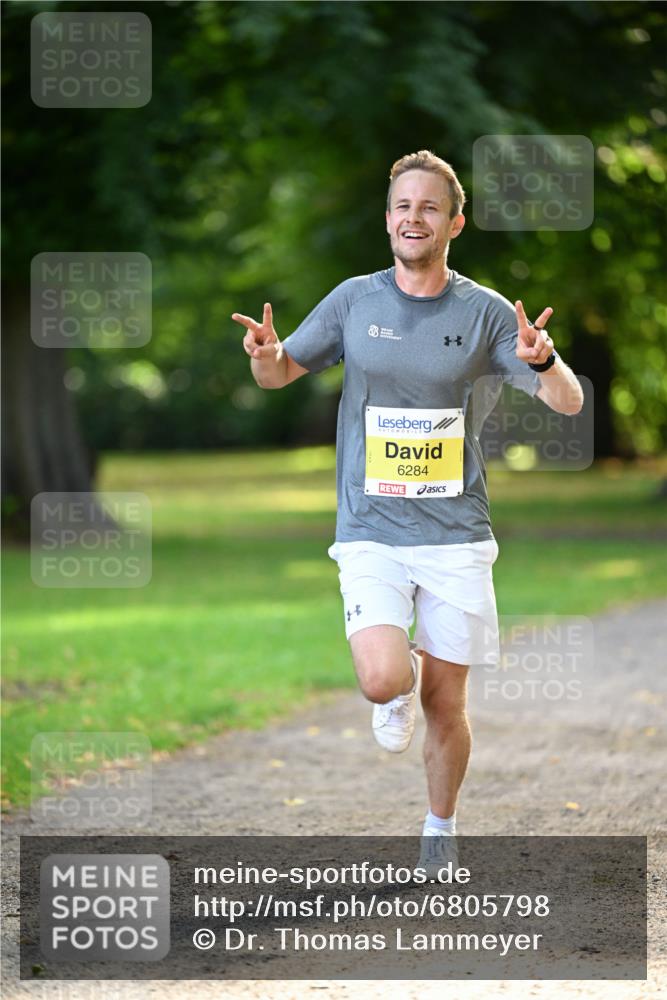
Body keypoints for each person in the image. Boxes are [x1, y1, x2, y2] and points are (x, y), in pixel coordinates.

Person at [232, 150, 583, 871]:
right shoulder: (354, 300)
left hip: (455, 535)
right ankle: (391, 693)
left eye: (428, 207)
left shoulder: (485, 312)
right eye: (401, 206)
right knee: (385, 678)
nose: (412, 217)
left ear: (454, 222)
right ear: (386, 218)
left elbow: (568, 401)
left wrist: (544, 360)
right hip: (370, 528)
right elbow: (278, 373)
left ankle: (438, 830)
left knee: (446, 706)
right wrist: (262, 355)